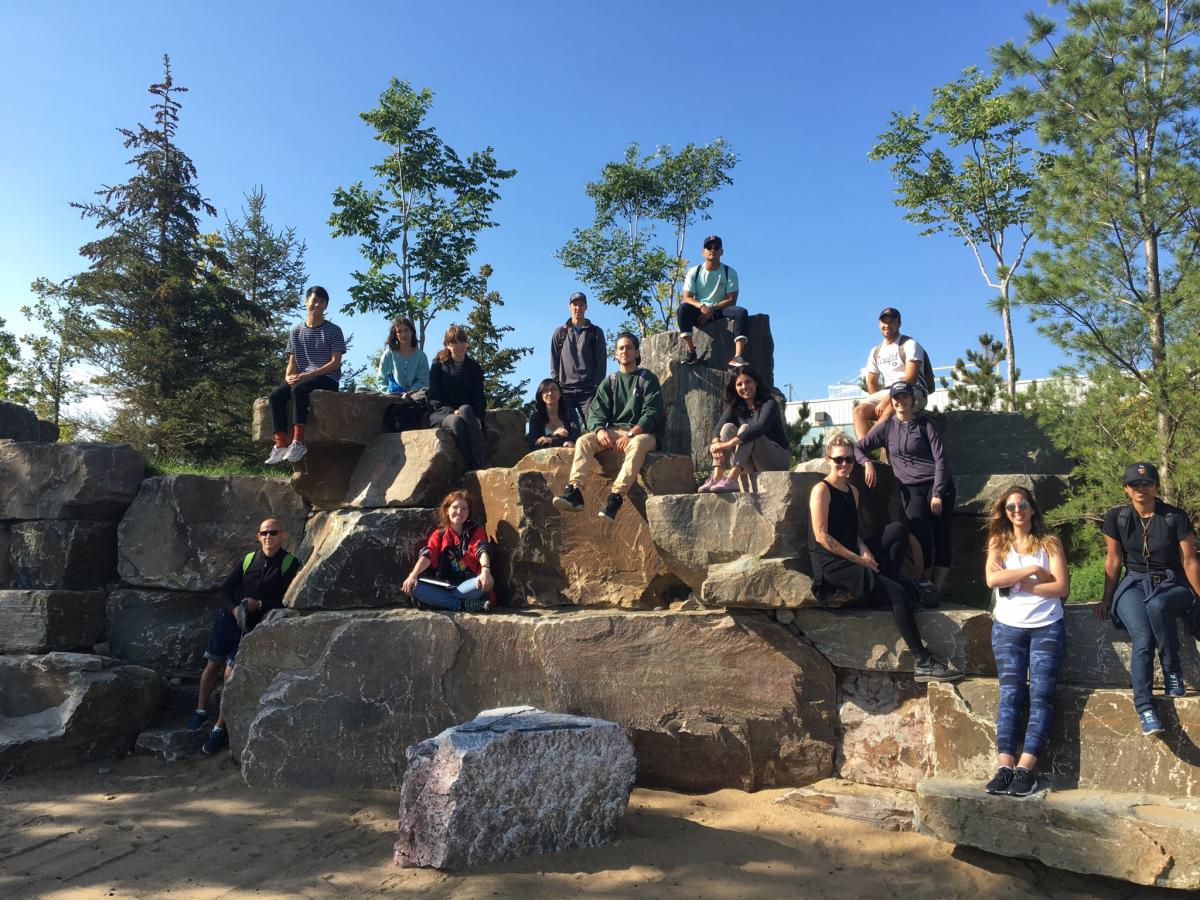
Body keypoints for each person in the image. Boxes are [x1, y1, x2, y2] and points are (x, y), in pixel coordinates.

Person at [808, 433, 961, 683]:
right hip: (832, 562)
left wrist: (863, 549)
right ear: (828, 459)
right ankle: (922, 662)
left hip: (852, 554)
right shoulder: (821, 491)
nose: (844, 464)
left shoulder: (853, 491)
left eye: (848, 459)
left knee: (897, 530)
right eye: (838, 460)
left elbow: (852, 531)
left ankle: (884, 588)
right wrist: (858, 559)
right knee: (898, 593)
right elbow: (822, 536)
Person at [1097, 462, 1200, 736]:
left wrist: (1199, 595)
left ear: (1156, 487)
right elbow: (1113, 560)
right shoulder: (1117, 517)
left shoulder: (1174, 517)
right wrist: (1107, 599)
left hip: (1171, 581)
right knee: (1142, 639)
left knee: (1158, 604)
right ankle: (1145, 708)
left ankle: (1172, 670)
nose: (1140, 489)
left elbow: (1189, 560)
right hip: (1133, 583)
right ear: (1126, 489)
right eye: (1134, 485)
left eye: (1146, 483)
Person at [982, 486, 1070, 797]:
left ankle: (1025, 770)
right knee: (1010, 696)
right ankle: (1004, 767)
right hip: (1008, 627)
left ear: (1032, 509)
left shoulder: (1050, 543)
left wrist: (1017, 581)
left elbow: (1061, 588)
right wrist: (1033, 571)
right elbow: (992, 581)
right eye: (1010, 507)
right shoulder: (999, 543)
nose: (1017, 511)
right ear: (1005, 513)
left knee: (1041, 696)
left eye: (1022, 505)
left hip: (1046, 626)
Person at [188, 518, 301, 755]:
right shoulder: (249, 560)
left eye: (273, 532)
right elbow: (225, 590)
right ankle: (200, 711)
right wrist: (233, 609)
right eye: (264, 533)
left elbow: (287, 598)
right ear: (258, 537)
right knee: (212, 665)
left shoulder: (290, 563)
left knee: (231, 674)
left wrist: (259, 604)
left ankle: (219, 728)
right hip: (229, 620)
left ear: (282, 535)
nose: (268, 537)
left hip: (255, 628)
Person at [855, 381, 956, 593]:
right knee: (920, 539)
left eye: (905, 397)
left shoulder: (925, 425)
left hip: (937, 486)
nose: (901, 401)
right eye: (897, 398)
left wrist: (937, 493)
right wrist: (867, 463)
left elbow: (941, 460)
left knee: (941, 537)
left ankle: (937, 590)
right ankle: (924, 587)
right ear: (891, 401)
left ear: (912, 400)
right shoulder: (886, 427)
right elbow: (858, 447)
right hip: (910, 489)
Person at [553, 332, 662, 521]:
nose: (625, 351)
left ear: (637, 352)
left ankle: (615, 498)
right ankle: (574, 492)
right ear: (616, 354)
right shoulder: (610, 381)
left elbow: (652, 412)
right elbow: (596, 411)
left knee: (637, 446)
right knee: (584, 440)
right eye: (621, 348)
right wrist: (600, 430)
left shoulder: (647, 379)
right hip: (614, 431)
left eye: (629, 347)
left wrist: (630, 434)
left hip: (641, 434)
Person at [266, 286, 347, 465]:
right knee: (276, 396)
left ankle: (298, 442)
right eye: (314, 300)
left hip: (327, 378)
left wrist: (306, 376)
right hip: (303, 377)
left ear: (326, 306)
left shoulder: (334, 330)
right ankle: (280, 445)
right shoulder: (296, 331)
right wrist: (288, 377)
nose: (318, 305)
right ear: (306, 301)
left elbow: (335, 363)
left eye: (322, 302)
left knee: (300, 390)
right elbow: (292, 362)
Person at [700, 365, 791, 493]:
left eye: (748, 382)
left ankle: (732, 479)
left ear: (756, 382)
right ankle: (717, 477)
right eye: (739, 384)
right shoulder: (736, 406)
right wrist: (716, 445)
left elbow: (759, 428)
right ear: (735, 388)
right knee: (727, 428)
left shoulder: (769, 403)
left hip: (776, 460)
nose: (744, 387)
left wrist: (725, 444)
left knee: (746, 429)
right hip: (749, 462)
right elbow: (718, 428)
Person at [401, 490, 494, 612]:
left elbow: (481, 549)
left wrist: (486, 570)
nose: (459, 512)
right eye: (455, 507)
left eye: (464, 508)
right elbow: (428, 555)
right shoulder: (438, 535)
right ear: (447, 510)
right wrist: (413, 575)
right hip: (443, 586)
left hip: (469, 585)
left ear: (469, 512)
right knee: (413, 587)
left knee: (483, 583)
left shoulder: (476, 531)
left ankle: (442, 602)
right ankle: (464, 605)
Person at [852, 307, 930, 439]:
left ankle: (866, 445)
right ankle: (864, 455)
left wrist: (887, 400)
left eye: (892, 321)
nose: (887, 325)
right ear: (879, 324)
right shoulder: (875, 351)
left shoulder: (910, 344)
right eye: (884, 322)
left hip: (913, 390)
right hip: (887, 392)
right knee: (859, 411)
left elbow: (911, 378)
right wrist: (877, 403)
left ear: (899, 324)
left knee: (890, 409)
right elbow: (871, 381)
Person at [678, 235, 749, 368]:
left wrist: (712, 309)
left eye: (716, 247)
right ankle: (691, 351)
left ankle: (738, 355)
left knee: (741, 312)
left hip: (720, 310)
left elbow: (731, 299)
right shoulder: (695, 272)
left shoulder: (729, 272)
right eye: (709, 247)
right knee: (683, 309)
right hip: (699, 311)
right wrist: (702, 307)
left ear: (721, 252)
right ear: (703, 252)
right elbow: (687, 297)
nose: (712, 250)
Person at [428, 325, 487, 472]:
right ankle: (474, 463)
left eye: (463, 341)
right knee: (456, 421)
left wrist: (478, 417)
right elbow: (434, 396)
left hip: (467, 412)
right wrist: (451, 411)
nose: (460, 346)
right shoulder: (438, 365)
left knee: (466, 409)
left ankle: (480, 460)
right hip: (442, 412)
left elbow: (479, 396)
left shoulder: (474, 367)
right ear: (447, 345)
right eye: (454, 342)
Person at [550, 292, 606, 426]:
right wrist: (557, 384)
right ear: (569, 307)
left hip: (588, 391)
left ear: (586, 307)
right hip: (565, 390)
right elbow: (554, 361)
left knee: (595, 427)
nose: (578, 308)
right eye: (574, 304)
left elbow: (601, 362)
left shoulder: (595, 332)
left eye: (581, 304)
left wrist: (597, 385)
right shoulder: (560, 333)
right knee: (567, 430)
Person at [378, 316, 430, 396]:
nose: (403, 334)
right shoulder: (388, 355)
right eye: (399, 331)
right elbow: (382, 381)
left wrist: (410, 393)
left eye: (406, 330)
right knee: (361, 390)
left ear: (412, 332)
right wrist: (392, 394)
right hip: (391, 397)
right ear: (395, 335)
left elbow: (423, 381)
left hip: (415, 397)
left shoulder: (421, 357)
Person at [527, 378, 580, 451]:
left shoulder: (570, 412)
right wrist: (553, 435)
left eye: (553, 389)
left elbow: (576, 436)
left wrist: (551, 440)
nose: (550, 393)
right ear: (541, 395)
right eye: (546, 390)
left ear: (560, 393)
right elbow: (533, 445)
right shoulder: (536, 417)